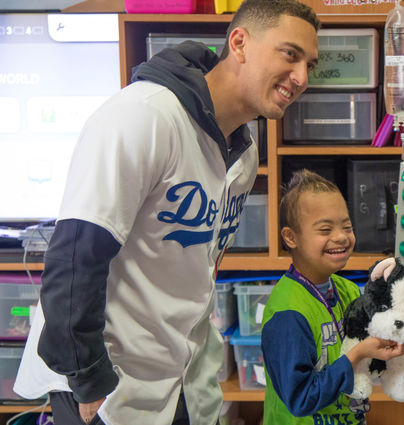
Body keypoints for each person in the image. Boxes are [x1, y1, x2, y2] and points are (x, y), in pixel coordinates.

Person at [13, 1, 320, 424]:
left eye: (310, 64)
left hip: (179, 375)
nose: (302, 77)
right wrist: (85, 373)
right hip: (105, 381)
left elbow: (200, 269)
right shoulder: (143, 116)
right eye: (290, 54)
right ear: (239, 42)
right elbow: (75, 253)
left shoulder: (243, 156)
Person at [260, 169, 404, 425]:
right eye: (325, 229)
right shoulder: (288, 314)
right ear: (291, 237)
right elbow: (300, 399)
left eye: (347, 226)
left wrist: (391, 340)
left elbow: (365, 350)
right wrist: (358, 354)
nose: (341, 236)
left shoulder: (347, 290)